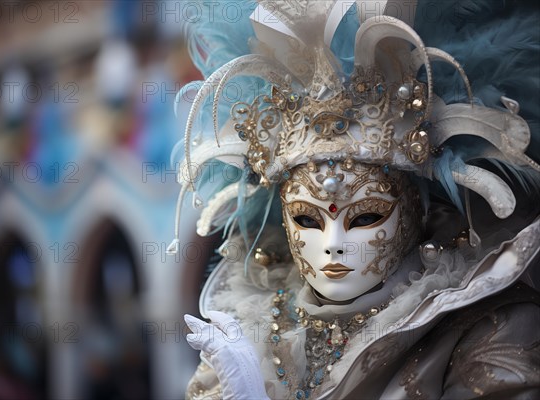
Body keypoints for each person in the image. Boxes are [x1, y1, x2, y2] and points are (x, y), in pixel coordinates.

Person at [168, 1, 540, 398]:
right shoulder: (244, 334)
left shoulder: (486, 327)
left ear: (415, 209)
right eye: (307, 219)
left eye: (365, 217)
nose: (332, 246)